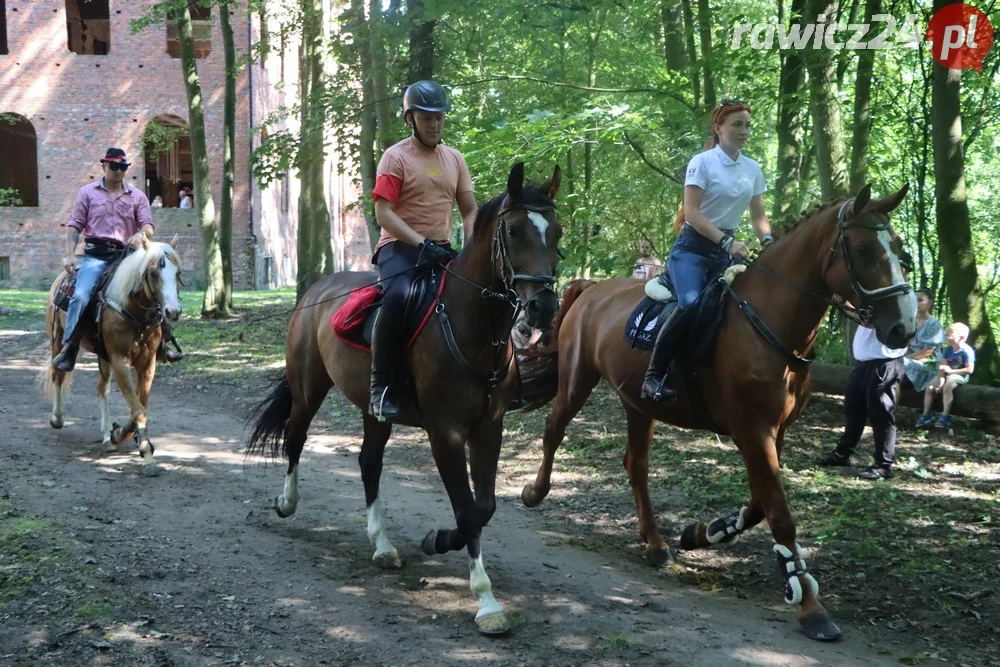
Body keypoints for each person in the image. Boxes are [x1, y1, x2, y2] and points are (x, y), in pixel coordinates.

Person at [641, 99, 772, 401]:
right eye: (737, 124)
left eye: (747, 125)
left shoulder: (752, 169)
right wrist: (727, 241)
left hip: (727, 255)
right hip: (692, 251)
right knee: (691, 304)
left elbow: (758, 218)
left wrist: (768, 243)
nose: (744, 131)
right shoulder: (702, 163)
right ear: (718, 128)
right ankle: (654, 376)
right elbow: (692, 213)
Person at [368, 80, 477, 422]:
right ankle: (380, 387)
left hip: (442, 251)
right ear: (410, 119)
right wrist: (421, 243)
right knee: (398, 297)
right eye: (426, 117)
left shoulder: (455, 159)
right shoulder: (395, 157)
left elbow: (470, 210)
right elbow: (383, 212)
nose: (434, 124)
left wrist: (469, 249)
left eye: (439, 117)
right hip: (399, 250)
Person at [53, 148, 183, 372]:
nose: (119, 171)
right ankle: (70, 346)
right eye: (114, 166)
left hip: (128, 255)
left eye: (123, 167)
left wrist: (142, 234)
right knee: (82, 294)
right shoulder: (87, 193)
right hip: (96, 255)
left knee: (153, 289)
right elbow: (74, 225)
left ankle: (162, 343)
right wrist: (70, 254)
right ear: (104, 166)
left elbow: (148, 224)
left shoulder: (137, 196)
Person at [815, 253, 915, 480]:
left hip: (884, 364)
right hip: (865, 364)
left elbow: (869, 322)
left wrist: (843, 303)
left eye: (898, 267)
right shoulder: (880, 292)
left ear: (904, 271)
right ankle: (843, 453)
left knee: (881, 414)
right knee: (854, 409)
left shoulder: (902, 297)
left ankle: (883, 464)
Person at [915, 322, 975, 429]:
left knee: (948, 386)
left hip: (960, 375)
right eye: (947, 335)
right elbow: (942, 367)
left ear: (961, 337)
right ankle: (926, 414)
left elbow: (969, 370)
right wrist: (940, 381)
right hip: (946, 374)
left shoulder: (967, 351)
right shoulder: (948, 350)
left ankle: (945, 415)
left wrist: (951, 372)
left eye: (950, 335)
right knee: (929, 387)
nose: (948, 337)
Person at [902, 288, 944, 392]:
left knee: (897, 363)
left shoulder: (934, 324)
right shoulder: (909, 321)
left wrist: (903, 358)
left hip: (929, 363)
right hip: (910, 360)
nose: (916, 303)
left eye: (920, 300)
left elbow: (927, 352)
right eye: (914, 300)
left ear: (929, 303)